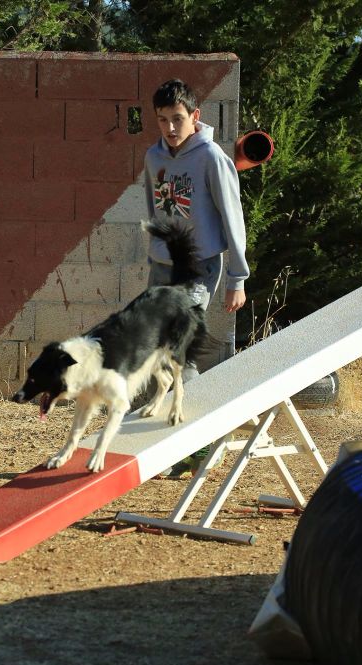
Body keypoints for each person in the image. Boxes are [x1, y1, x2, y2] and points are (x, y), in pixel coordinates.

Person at [143, 78, 250, 477]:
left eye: (177, 119)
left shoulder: (212, 158)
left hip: (200, 266)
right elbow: (153, 208)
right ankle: (171, 443)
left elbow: (232, 216)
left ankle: (202, 445)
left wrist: (237, 277)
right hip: (163, 265)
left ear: (195, 117)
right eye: (163, 120)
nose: (170, 128)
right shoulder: (154, 157)